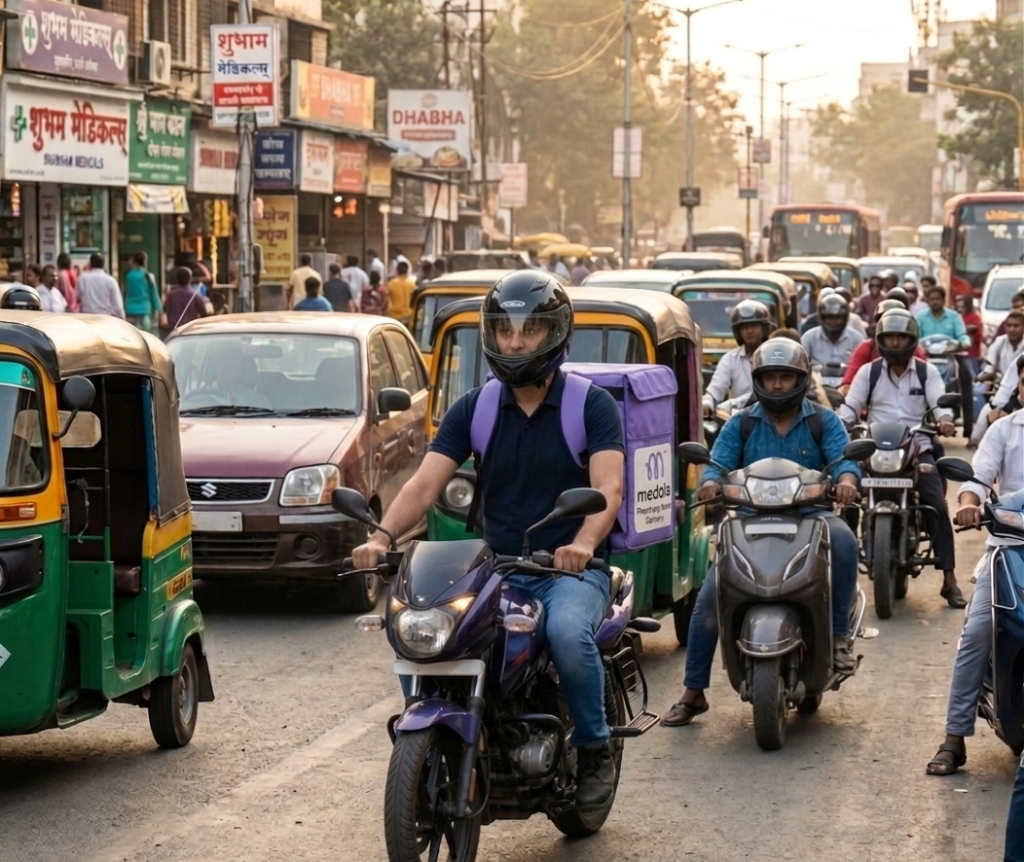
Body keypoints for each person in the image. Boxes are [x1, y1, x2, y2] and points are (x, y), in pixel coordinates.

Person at [351, 271, 626, 811]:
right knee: (434, 635)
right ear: (491, 336)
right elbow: (424, 484)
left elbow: (608, 490)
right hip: (497, 569)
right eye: (506, 331)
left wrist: (584, 544)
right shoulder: (474, 408)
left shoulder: (591, 406)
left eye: (530, 330)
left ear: (555, 333)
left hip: (568, 572)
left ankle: (595, 751)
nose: (516, 342)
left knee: (569, 635)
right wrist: (381, 536)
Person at [661, 339, 861, 726]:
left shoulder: (823, 419)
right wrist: (710, 482)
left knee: (845, 540)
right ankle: (693, 691)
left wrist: (848, 478)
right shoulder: (743, 422)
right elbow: (716, 463)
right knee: (709, 600)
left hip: (811, 517)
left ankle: (837, 639)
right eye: (770, 377)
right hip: (749, 520)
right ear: (758, 380)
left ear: (801, 380)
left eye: (786, 377)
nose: (778, 385)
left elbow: (842, 459)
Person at [925, 352, 1024, 777]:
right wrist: (968, 504)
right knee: (979, 630)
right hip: (1010, 548)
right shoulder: (1004, 430)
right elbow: (977, 480)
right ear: (1021, 387)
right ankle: (954, 736)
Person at [839, 309, 966, 607]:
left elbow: (939, 404)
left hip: (917, 447)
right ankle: (839, 575)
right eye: (889, 337)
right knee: (844, 498)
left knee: (936, 504)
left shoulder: (926, 372)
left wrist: (945, 420)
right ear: (880, 340)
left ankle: (949, 581)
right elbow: (850, 408)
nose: (895, 343)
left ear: (911, 340)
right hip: (875, 449)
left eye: (901, 337)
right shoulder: (868, 371)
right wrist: (840, 423)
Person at [918, 284, 973, 438]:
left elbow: (962, 335)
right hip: (926, 357)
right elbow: (915, 336)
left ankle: (969, 428)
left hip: (950, 356)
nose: (935, 302)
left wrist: (963, 342)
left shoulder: (954, 316)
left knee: (966, 377)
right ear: (928, 300)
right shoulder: (920, 317)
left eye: (938, 299)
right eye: (932, 299)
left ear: (943, 300)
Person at [702, 299, 771, 416]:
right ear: (738, 331)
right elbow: (715, 391)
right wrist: (707, 402)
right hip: (741, 421)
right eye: (744, 327)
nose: (749, 331)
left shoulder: (775, 355)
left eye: (754, 325)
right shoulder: (730, 359)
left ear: (763, 328)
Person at [970, 310, 1024, 445]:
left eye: (1016, 326)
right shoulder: (1000, 342)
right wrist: (986, 375)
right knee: (987, 413)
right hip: (1005, 388)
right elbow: (990, 365)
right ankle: (976, 442)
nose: (1012, 329)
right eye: (1009, 325)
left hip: (1017, 392)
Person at [801, 292, 864, 366]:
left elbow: (862, 366)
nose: (834, 322)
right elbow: (802, 366)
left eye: (838, 318)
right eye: (829, 317)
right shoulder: (809, 338)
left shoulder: (857, 338)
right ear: (822, 318)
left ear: (845, 318)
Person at [123, 251, 163, 333]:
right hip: (145, 310)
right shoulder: (148, 275)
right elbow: (154, 294)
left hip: (130, 309)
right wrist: (159, 309)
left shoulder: (128, 276)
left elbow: (125, 292)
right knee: (145, 335)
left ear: (134, 261)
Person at [76, 253, 125, 319]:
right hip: (105, 318)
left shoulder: (82, 278)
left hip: (86, 318)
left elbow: (76, 297)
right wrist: (122, 318)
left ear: (90, 264)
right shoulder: (110, 280)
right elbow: (117, 305)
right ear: (103, 265)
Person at [163, 266, 209, 333]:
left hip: (174, 330)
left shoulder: (170, 295)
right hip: (190, 329)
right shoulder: (195, 294)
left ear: (177, 278)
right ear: (190, 278)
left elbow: (165, 310)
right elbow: (204, 313)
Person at [955, 293, 983, 376]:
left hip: (971, 353)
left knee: (972, 374)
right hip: (960, 352)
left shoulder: (974, 317)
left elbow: (977, 333)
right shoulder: (959, 317)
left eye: (962, 307)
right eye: (958, 307)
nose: (960, 309)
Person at [386, 261, 415, 327]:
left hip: (394, 317)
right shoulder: (412, 284)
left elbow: (386, 300)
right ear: (407, 271)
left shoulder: (391, 283)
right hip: (408, 315)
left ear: (397, 271)